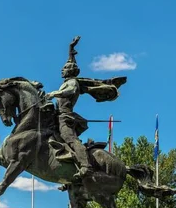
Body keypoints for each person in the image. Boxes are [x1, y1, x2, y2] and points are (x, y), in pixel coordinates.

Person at [46, 36, 124, 180]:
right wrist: (71, 50)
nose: (62, 70)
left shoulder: (72, 83)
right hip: (58, 116)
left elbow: (69, 92)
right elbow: (72, 63)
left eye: (64, 69)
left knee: (70, 140)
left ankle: (85, 166)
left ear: (70, 72)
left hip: (66, 117)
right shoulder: (69, 80)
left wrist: (54, 93)